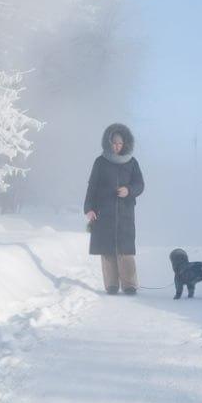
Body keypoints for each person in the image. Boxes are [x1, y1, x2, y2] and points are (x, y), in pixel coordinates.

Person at [84, 123, 145, 295]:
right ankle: (111, 285)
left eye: (120, 143)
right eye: (114, 143)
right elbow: (92, 186)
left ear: (125, 144)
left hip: (125, 212)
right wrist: (89, 208)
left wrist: (129, 190)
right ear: (108, 143)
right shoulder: (100, 162)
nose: (117, 146)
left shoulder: (132, 163)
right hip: (104, 211)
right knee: (107, 249)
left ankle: (129, 285)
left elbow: (140, 184)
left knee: (125, 250)